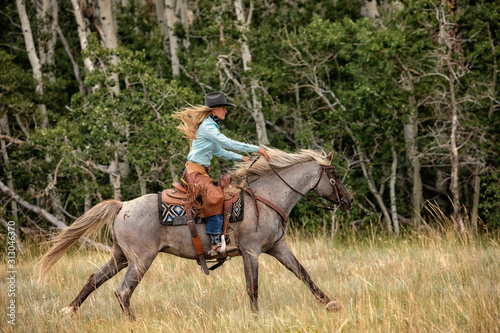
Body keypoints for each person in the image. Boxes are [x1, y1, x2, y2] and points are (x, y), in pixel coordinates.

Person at [174, 91, 270, 254]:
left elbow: (219, 151)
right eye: (223, 108)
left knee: (222, 194)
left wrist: (241, 158)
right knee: (216, 197)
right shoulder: (208, 127)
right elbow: (227, 143)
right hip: (195, 172)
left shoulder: (209, 126)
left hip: (200, 171)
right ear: (214, 110)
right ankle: (215, 242)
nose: (225, 111)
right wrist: (257, 149)